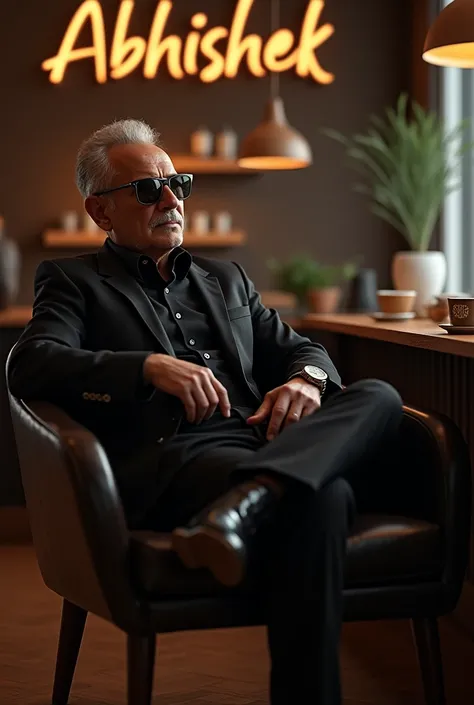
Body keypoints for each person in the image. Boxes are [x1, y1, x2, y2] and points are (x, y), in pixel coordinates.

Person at [8, 119, 403, 705]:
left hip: (267, 438)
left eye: (178, 184)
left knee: (380, 395)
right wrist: (145, 367)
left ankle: (250, 501)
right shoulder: (73, 280)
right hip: (180, 456)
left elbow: (304, 349)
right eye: (148, 190)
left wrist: (305, 382)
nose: (172, 201)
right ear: (100, 212)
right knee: (325, 498)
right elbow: (31, 362)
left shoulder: (226, 278)